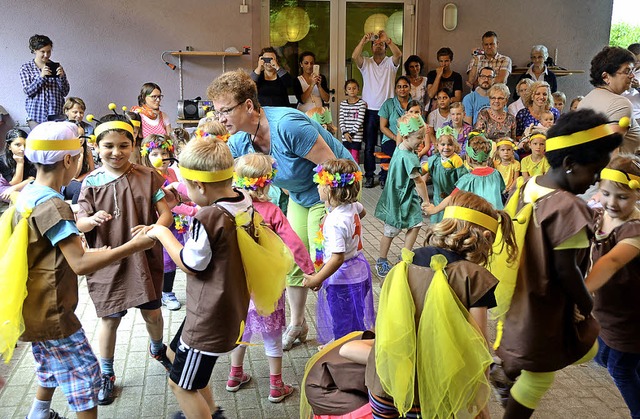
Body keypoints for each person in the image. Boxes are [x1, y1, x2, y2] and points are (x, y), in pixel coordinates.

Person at [0, 121, 154, 419]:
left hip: (32, 305)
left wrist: (95, 251)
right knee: (85, 376)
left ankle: (39, 413)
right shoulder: (54, 205)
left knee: (49, 363)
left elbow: (51, 249)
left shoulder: (30, 193)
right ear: (70, 159)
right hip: (53, 310)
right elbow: (80, 264)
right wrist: (134, 247)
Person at [207, 70, 353, 351]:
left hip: (329, 192)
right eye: (217, 113)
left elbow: (333, 168)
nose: (220, 119)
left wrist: (345, 211)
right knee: (294, 259)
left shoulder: (288, 126)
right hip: (299, 193)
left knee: (323, 260)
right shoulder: (240, 140)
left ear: (248, 106)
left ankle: (341, 332)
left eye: (225, 111)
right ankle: (298, 324)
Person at [492, 109, 622, 417]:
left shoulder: (529, 185)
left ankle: (506, 373)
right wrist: (586, 302)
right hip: (546, 301)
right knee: (540, 373)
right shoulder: (569, 209)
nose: (593, 181)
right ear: (568, 164)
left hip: (523, 292)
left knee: (529, 353)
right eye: (592, 173)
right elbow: (567, 269)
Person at [343, 192, 517, 418]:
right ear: (485, 237)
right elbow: (478, 348)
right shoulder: (474, 277)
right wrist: (480, 407)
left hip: (384, 385)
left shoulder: (405, 261)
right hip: (433, 393)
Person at [144, 138, 257, 419]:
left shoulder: (207, 218)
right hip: (223, 305)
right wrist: (183, 198)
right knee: (182, 365)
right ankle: (212, 412)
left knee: (180, 386)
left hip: (208, 314)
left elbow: (191, 264)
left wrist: (161, 234)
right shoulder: (243, 199)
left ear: (200, 185)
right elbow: (218, 214)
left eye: (187, 186)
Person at [76, 114, 174, 406]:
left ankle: (158, 349)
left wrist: (155, 227)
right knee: (109, 319)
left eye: (123, 145)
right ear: (96, 146)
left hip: (144, 256)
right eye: (108, 146)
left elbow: (166, 213)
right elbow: (79, 222)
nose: (116, 152)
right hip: (106, 260)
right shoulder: (90, 183)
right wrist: (91, 220)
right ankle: (106, 373)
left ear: (134, 145)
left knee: (153, 314)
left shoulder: (147, 175)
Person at [228, 153, 314, 404]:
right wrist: (309, 271)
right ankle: (276, 385)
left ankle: (235, 375)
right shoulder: (272, 210)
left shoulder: (228, 209)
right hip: (269, 284)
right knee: (273, 335)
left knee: (240, 331)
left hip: (238, 283)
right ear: (268, 182)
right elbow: (294, 242)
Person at [585, 155, 640, 419]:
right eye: (606, 193)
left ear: (637, 196)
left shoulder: (635, 229)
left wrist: (579, 293)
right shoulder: (599, 214)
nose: (612, 203)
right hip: (606, 310)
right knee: (603, 356)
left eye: (622, 197)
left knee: (620, 369)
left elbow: (613, 261)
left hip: (631, 316)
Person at [303, 159, 375, 344]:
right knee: (354, 313)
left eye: (320, 184)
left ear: (330, 189)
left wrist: (317, 278)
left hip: (343, 279)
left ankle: (344, 351)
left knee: (342, 319)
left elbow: (337, 258)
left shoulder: (335, 222)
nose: (317, 187)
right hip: (359, 271)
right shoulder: (352, 207)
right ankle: (354, 341)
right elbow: (362, 212)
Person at [140, 134, 198, 311]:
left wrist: (190, 202)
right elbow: (166, 205)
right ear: (146, 156)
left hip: (177, 224)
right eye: (155, 154)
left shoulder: (172, 172)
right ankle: (165, 292)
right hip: (162, 222)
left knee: (175, 257)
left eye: (165, 153)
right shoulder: (149, 176)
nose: (162, 158)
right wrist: (192, 210)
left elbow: (178, 195)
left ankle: (168, 290)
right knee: (165, 259)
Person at [374, 115, 430, 278]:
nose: (421, 141)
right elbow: (419, 182)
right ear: (406, 136)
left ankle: (404, 257)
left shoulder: (401, 148)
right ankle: (382, 259)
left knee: (416, 223)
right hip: (400, 199)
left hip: (402, 196)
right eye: (419, 138)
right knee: (391, 230)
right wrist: (426, 201)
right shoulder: (409, 158)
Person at [352, 30, 403, 188]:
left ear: (385, 47)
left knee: (387, 144)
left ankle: (384, 175)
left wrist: (387, 39)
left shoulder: (390, 63)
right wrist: (364, 39)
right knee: (369, 146)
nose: (378, 45)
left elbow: (398, 54)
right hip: (370, 110)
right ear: (371, 47)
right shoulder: (366, 63)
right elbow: (354, 56)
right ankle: (368, 175)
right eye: (375, 44)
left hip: (388, 110)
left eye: (381, 44)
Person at [579, 46, 640, 154]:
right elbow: (612, 157)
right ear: (606, 76)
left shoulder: (585, 101)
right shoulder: (621, 103)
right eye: (627, 71)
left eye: (632, 71)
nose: (632, 76)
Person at [425, 132, 505, 213]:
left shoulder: (467, 179)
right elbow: (502, 190)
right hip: (497, 217)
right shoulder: (496, 173)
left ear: (468, 158)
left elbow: (451, 198)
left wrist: (433, 210)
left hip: (479, 219)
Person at [19, 34, 70, 128]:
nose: (46, 55)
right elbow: (28, 91)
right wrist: (41, 77)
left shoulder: (56, 66)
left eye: (49, 51)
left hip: (56, 116)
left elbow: (65, 92)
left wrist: (61, 77)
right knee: (38, 142)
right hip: (36, 116)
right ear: (34, 50)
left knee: (55, 142)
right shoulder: (26, 68)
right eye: (42, 51)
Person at [424, 126, 467, 224]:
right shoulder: (435, 159)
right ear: (437, 145)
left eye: (450, 145)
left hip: (452, 197)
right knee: (436, 222)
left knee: (449, 221)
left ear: (455, 146)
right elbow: (422, 170)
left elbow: (463, 178)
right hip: (437, 197)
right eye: (443, 144)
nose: (446, 147)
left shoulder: (456, 160)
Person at [378, 76, 412, 187]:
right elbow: (383, 127)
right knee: (395, 153)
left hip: (411, 139)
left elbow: (420, 124)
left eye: (405, 86)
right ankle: (385, 177)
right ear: (395, 89)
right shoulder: (388, 104)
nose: (402, 89)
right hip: (390, 138)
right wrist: (395, 138)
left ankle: (406, 181)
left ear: (410, 88)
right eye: (399, 87)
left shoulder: (415, 104)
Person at [0, 129, 36, 200]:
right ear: (9, 147)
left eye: (25, 145)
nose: (22, 149)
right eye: (18, 145)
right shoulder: (2, 160)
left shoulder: (31, 157)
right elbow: (14, 182)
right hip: (7, 185)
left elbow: (31, 179)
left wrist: (14, 188)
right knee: (13, 196)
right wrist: (20, 163)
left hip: (27, 185)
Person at [338, 79, 367, 163]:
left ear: (358, 89)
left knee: (354, 156)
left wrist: (352, 133)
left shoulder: (361, 103)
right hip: (345, 136)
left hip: (356, 136)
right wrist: (345, 133)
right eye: (349, 88)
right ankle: (347, 174)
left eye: (354, 88)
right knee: (346, 156)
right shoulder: (343, 104)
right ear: (346, 91)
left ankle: (355, 174)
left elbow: (360, 120)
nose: (352, 90)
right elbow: (341, 119)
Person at [426, 47, 463, 112]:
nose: (444, 64)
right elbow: (431, 94)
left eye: (446, 61)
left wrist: (445, 101)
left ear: (450, 60)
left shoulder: (456, 76)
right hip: (434, 110)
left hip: (451, 110)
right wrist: (438, 75)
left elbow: (458, 98)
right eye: (441, 61)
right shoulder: (432, 74)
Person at [622, 43, 640, 125]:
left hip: (637, 116)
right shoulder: (621, 68)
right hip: (620, 113)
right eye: (634, 61)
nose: (636, 63)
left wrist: (638, 86)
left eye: (638, 61)